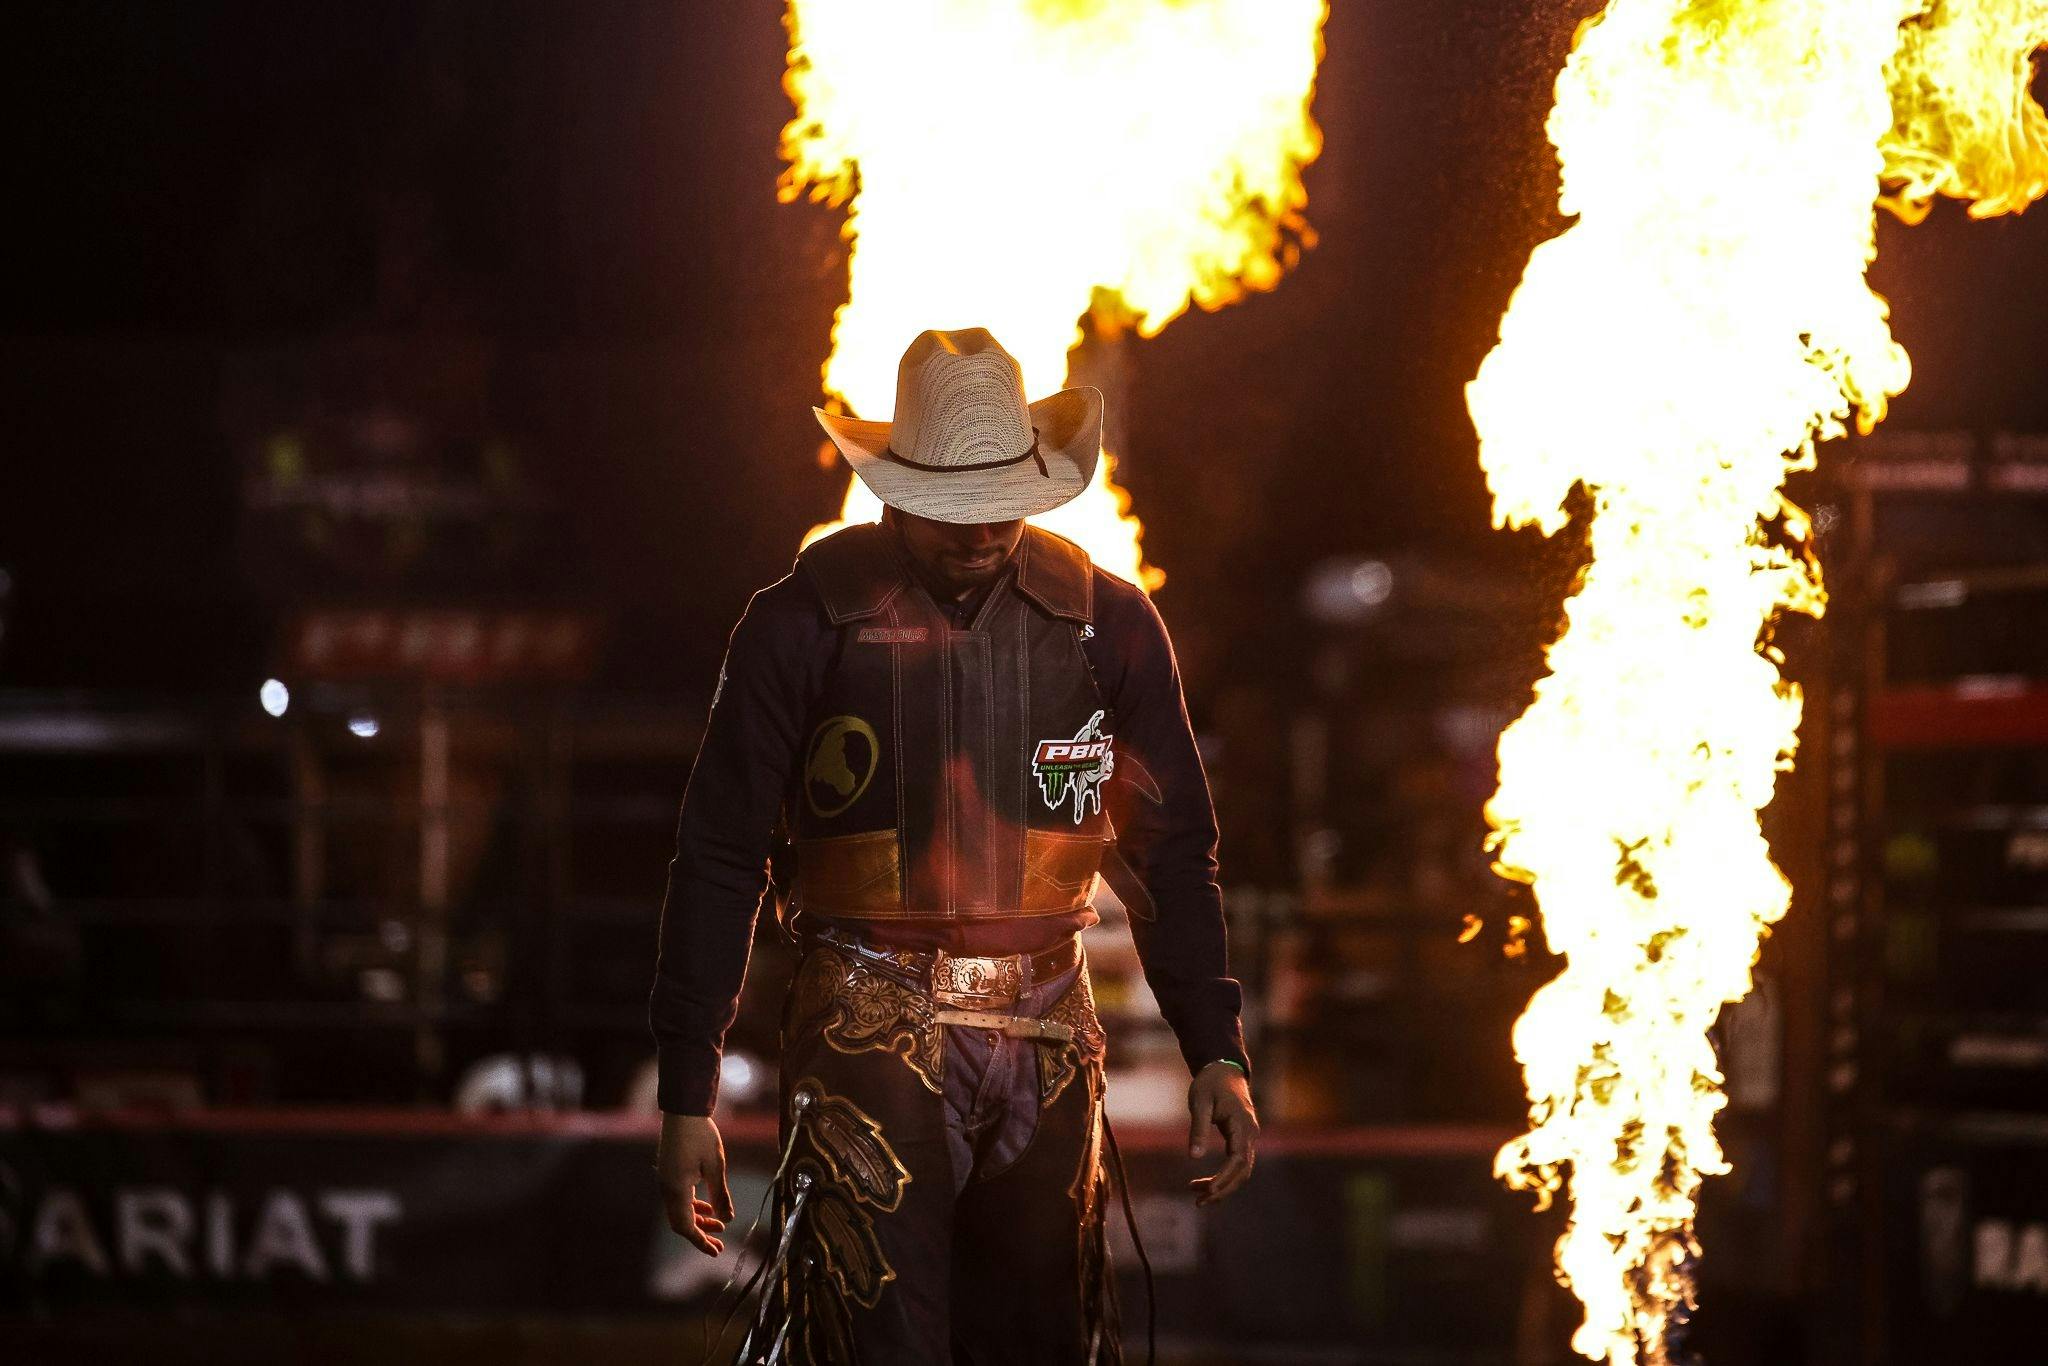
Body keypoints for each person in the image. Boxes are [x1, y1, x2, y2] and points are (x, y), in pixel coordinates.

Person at [650, 327, 1257, 1364]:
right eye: (952, 508)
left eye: (999, 505)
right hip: (863, 1023)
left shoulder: (1109, 623)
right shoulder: (799, 623)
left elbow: (1172, 851)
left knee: (1037, 1341)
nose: (979, 533)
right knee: (872, 1338)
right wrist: (684, 1092)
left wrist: (1216, 1047)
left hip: (1049, 1029)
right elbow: (718, 854)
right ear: (896, 492)